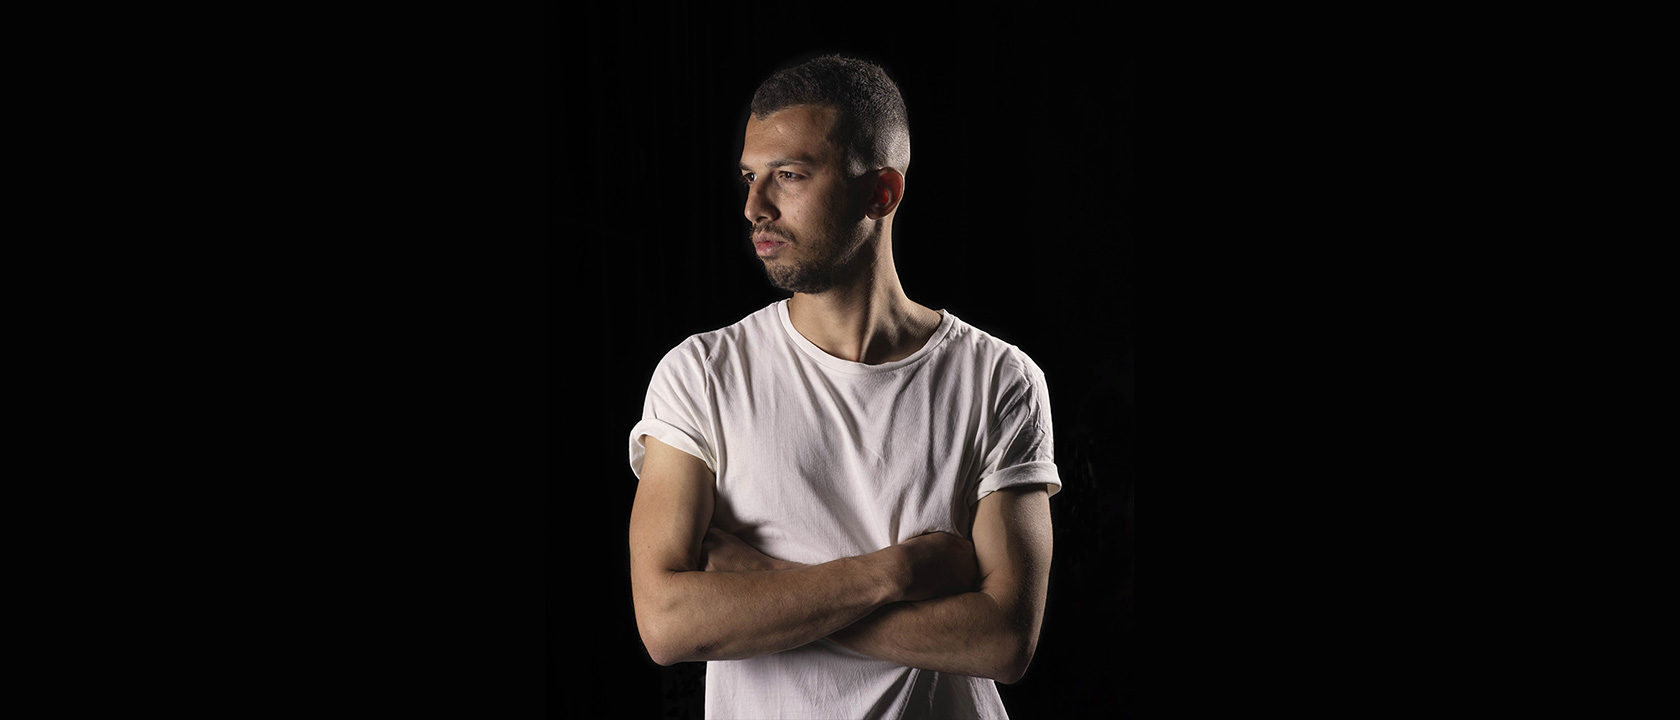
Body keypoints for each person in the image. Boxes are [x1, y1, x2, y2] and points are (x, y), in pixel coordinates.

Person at [627, 54, 1060, 719]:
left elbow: (1004, 641)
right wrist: (895, 574)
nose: (754, 207)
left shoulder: (998, 379)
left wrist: (764, 584)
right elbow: (667, 623)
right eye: (750, 177)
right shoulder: (701, 375)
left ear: (880, 193)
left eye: (789, 175)